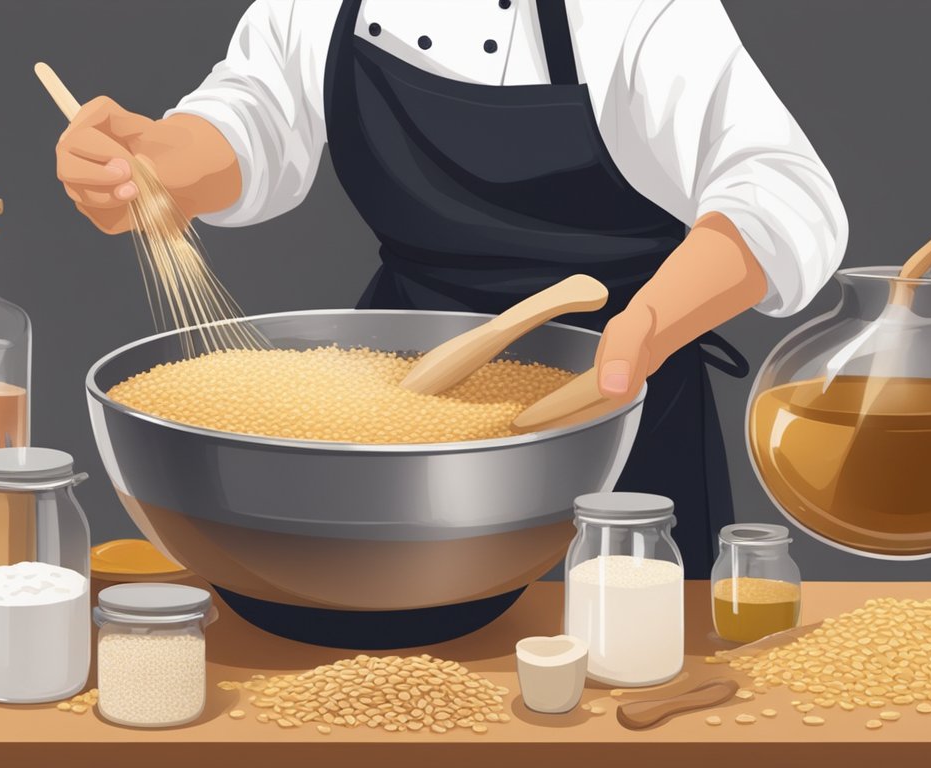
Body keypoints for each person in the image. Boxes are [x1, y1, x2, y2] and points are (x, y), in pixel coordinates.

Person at [53, 0, 847, 577]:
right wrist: (160, 164)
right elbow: (253, 117)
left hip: (612, 409)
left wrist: (651, 324)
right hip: (395, 415)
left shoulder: (635, 14)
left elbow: (779, 192)